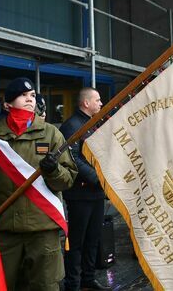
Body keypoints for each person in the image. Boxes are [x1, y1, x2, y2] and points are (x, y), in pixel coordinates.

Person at [0, 77, 78, 290]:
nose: (30, 99)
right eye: (23, 95)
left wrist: (54, 171)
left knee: (45, 286)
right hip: (5, 230)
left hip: (42, 229)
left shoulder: (51, 133)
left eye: (32, 95)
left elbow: (67, 180)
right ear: (7, 104)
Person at [60, 87, 111, 291]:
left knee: (93, 239)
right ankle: (73, 283)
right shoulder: (72, 126)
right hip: (80, 194)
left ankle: (88, 279)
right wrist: (99, 178)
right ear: (86, 103)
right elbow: (73, 159)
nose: (100, 103)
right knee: (77, 242)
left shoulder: (93, 124)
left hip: (96, 193)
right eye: (97, 100)